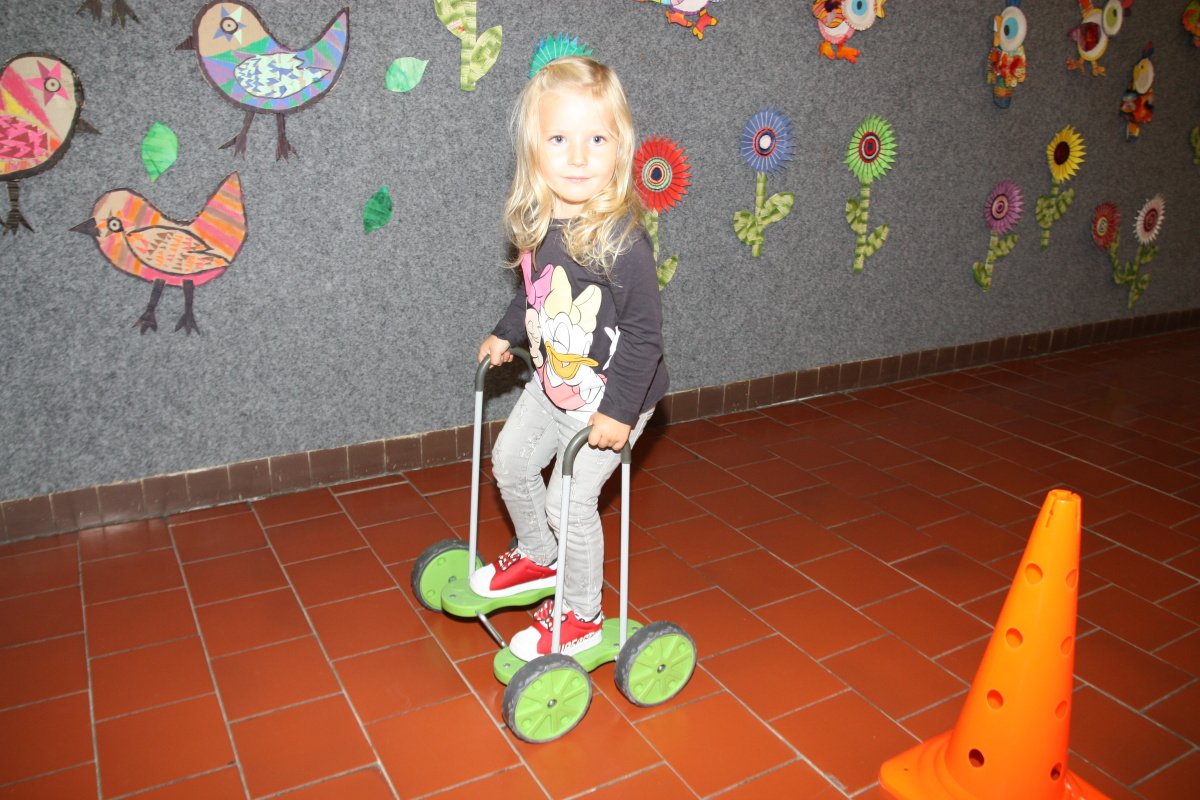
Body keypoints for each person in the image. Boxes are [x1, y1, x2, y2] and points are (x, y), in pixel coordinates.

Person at [471, 56, 668, 663]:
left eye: (596, 140)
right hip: (556, 378)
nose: (579, 157)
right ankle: (539, 554)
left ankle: (581, 612)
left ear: (619, 148)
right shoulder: (539, 223)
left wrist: (618, 412)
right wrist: (506, 333)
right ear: (534, 148)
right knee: (509, 462)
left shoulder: (620, 241)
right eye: (560, 139)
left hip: (614, 395)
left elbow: (645, 338)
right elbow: (534, 295)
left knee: (568, 503)